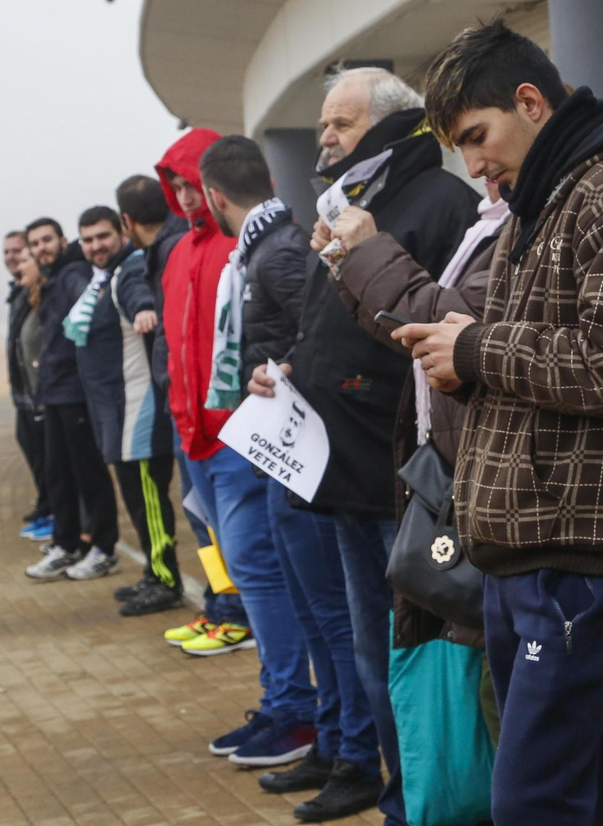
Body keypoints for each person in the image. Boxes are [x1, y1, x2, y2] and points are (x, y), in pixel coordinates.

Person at [399, 19, 603, 824]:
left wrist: (477, 352)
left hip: (579, 542)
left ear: (530, 102)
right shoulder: (552, 198)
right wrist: (463, 356)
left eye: (476, 136)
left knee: (534, 797)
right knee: (595, 788)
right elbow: (543, 358)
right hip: (533, 542)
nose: (475, 165)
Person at [250, 67, 481, 824]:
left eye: (341, 124)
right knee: (371, 654)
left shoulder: (441, 204)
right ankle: (394, 796)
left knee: (417, 655)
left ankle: (432, 799)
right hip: (339, 471)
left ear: (387, 125)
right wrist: (292, 370)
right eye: (324, 124)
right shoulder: (350, 208)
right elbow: (335, 327)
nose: (325, 137)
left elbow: (442, 326)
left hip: (400, 474)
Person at [199, 134, 379, 801]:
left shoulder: (275, 254)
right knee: (314, 612)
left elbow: (325, 339)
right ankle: (333, 744)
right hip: (286, 453)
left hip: (305, 454)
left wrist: (288, 372)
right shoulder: (272, 246)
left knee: (332, 615)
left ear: (216, 197)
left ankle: (353, 756)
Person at [325, 180, 509, 821]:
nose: (479, 162)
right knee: (460, 668)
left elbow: (443, 316)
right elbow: (422, 329)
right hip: (446, 477)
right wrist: (350, 268)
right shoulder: (489, 220)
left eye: (479, 135)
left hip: (483, 490)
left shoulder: (526, 222)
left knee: (505, 699)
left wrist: (370, 251)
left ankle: (476, 801)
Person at [158, 128, 315, 767]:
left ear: (213, 186)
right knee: (251, 574)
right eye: (171, 182)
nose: (182, 193)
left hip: (241, 437)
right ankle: (285, 703)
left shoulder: (246, 245)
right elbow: (179, 350)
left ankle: (294, 707)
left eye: (187, 180)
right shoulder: (179, 253)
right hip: (196, 437)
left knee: (260, 572)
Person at [118, 174, 253, 645]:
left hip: (204, 414)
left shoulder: (189, 247)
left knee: (215, 522)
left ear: (126, 222)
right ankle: (222, 605)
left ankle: (235, 612)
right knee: (204, 519)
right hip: (185, 408)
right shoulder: (169, 251)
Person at [66, 205, 183, 618]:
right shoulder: (103, 278)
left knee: (150, 501)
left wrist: (143, 311)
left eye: (103, 236)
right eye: (88, 239)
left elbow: (140, 294)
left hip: (140, 411)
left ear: (122, 233)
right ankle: (154, 572)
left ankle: (167, 581)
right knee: (136, 502)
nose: (96, 246)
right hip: (115, 415)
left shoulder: (129, 269)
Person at [23, 217, 121, 582]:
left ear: (62, 241)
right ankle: (66, 545)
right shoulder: (51, 280)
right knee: (58, 474)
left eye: (47, 240)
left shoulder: (74, 273)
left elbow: (95, 306)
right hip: (54, 392)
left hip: (77, 393)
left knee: (88, 474)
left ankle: (103, 548)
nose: (42, 248)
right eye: (35, 243)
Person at [5, 230, 51, 534]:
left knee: (50, 459)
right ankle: (47, 507)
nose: (12, 259)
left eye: (20, 254)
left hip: (43, 394)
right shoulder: (18, 291)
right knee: (34, 451)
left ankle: (56, 514)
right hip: (24, 394)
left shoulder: (43, 292)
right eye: (7, 253)